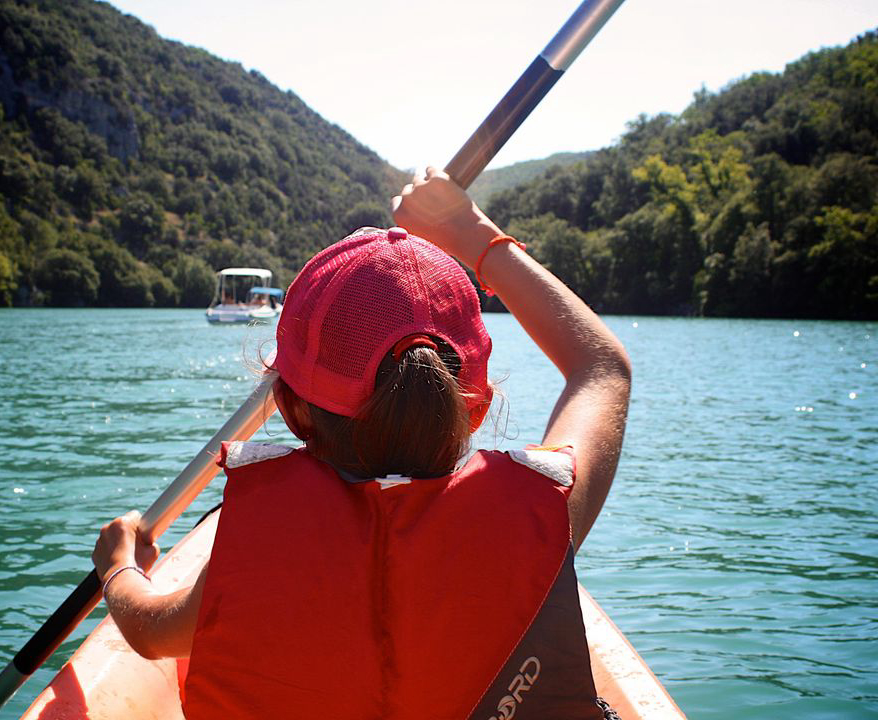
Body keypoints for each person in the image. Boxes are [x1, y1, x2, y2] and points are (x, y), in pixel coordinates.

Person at [92, 168, 631, 719]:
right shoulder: (542, 514)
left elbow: (148, 631)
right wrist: (474, 234)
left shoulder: (258, 546)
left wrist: (118, 565)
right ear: (476, 409)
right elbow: (602, 369)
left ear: (290, 410)